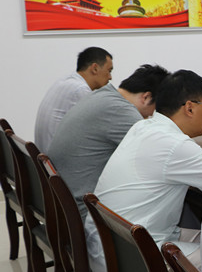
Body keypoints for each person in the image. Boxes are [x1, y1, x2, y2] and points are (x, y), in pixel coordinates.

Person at [85, 70, 202, 272]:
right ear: (190, 108)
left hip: (112, 247)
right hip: (130, 262)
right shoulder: (174, 145)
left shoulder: (143, 126)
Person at [48, 64, 170, 220]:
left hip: (63, 203)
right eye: (155, 110)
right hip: (83, 212)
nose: (150, 116)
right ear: (146, 97)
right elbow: (160, 155)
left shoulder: (100, 95)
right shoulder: (122, 110)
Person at [34, 46, 114, 152]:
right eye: (109, 71)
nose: (110, 77)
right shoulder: (80, 90)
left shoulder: (64, 81)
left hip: (43, 155)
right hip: (55, 159)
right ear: (95, 68)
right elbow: (100, 131)